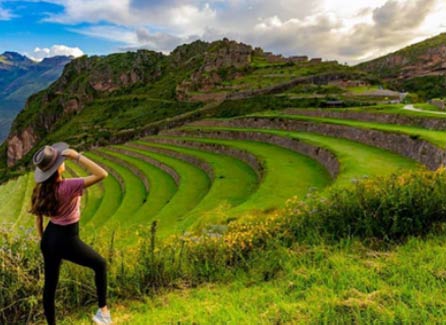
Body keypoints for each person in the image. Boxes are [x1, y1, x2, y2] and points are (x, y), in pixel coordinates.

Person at [29, 142, 112, 325]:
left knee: (50, 286)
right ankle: (103, 313)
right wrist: (76, 156)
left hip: (50, 237)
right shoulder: (69, 186)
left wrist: (45, 241)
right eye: (61, 160)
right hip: (67, 238)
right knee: (100, 264)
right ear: (58, 168)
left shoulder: (41, 189)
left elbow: (38, 219)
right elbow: (102, 174)